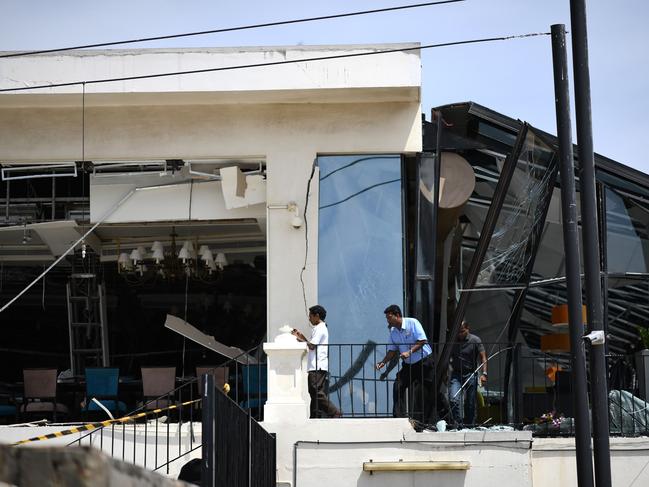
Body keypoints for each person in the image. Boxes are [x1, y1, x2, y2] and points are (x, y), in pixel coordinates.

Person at [375, 304, 435, 425]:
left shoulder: (412, 323)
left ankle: (445, 418)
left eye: (389, 317)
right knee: (398, 385)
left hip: (424, 362)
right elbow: (392, 350)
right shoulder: (393, 331)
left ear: (397, 315)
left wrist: (410, 351)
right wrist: (383, 362)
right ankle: (399, 418)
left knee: (433, 390)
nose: (387, 320)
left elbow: (422, 341)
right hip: (409, 366)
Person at [292, 305, 342, 418]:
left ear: (317, 316)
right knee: (314, 392)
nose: (309, 318)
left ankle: (334, 412)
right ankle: (315, 416)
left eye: (310, 316)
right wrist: (302, 337)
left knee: (315, 391)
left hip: (317, 365)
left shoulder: (320, 329)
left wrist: (300, 339)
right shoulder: (319, 328)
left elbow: (312, 346)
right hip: (317, 365)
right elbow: (312, 344)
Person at [449, 320, 487, 427]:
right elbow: (447, 356)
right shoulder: (453, 340)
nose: (460, 334)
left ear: (467, 329)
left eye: (462, 331)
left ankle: (469, 424)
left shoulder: (475, 340)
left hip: (470, 373)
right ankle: (458, 423)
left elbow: (483, 357)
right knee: (453, 398)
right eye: (458, 332)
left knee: (470, 403)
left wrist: (484, 373)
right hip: (456, 374)